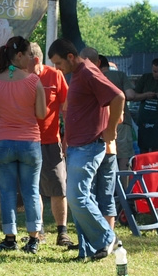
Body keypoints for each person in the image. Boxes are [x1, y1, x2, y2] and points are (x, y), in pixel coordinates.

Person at [47, 38, 123, 261]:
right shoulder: (79, 73)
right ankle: (89, 249)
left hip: (89, 145)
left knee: (76, 196)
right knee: (83, 197)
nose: (57, 68)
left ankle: (107, 238)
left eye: (58, 63)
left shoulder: (88, 72)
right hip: (77, 145)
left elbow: (118, 96)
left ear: (71, 57)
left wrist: (111, 130)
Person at [0, 36, 47, 254]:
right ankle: (33, 239)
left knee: (7, 191)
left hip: (3, 142)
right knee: (31, 191)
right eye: (29, 55)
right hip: (29, 141)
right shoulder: (33, 81)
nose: (31, 59)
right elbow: (41, 114)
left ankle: (10, 238)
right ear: (19, 55)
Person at [28, 42, 72, 247]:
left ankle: (62, 232)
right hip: (25, 141)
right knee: (32, 189)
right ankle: (38, 231)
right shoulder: (16, 76)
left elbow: (67, 107)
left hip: (50, 141)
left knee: (58, 186)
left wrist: (66, 136)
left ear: (36, 61)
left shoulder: (55, 76)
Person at [81, 48, 134, 171]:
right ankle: (124, 188)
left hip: (97, 126)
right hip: (121, 122)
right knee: (123, 156)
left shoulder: (87, 79)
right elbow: (130, 95)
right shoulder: (120, 75)